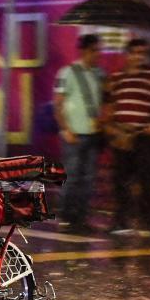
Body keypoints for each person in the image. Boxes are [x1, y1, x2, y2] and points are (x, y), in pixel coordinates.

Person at [103, 38, 150, 236]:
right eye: (135, 52)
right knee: (120, 181)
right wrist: (109, 125)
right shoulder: (116, 77)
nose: (139, 56)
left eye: (143, 53)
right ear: (127, 54)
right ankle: (121, 221)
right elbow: (109, 103)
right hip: (121, 135)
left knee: (147, 180)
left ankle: (149, 221)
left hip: (144, 136)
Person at [53, 33, 105, 232]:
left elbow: (106, 100)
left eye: (98, 50)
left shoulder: (100, 74)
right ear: (83, 50)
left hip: (93, 134)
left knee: (89, 178)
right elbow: (58, 104)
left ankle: (81, 218)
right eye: (94, 50)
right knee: (73, 177)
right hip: (73, 135)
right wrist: (65, 129)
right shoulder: (67, 73)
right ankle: (66, 217)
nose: (97, 54)